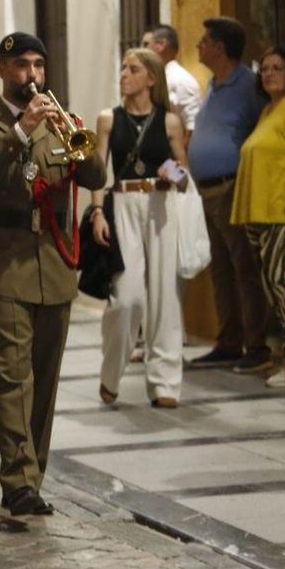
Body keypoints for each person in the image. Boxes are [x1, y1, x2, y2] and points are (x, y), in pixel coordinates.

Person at [0, 31, 107, 515]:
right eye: (22, 65)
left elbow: (96, 177)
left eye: (38, 64)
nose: (32, 74)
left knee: (44, 377)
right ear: (1, 70)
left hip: (52, 264)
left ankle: (31, 476)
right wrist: (20, 131)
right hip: (0, 265)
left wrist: (78, 141)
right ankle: (17, 480)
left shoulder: (62, 121)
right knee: (12, 373)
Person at [90, 48, 189, 409]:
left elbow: (184, 175)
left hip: (161, 204)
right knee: (127, 298)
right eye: (123, 68)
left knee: (164, 295)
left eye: (133, 69)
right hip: (122, 205)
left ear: (151, 78)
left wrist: (171, 172)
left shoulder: (170, 121)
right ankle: (111, 373)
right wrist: (97, 213)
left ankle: (165, 382)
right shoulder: (108, 119)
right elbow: (97, 172)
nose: (124, 75)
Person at [186, 17, 271, 373]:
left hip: (231, 187)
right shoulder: (213, 85)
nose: (199, 47)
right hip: (207, 190)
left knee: (244, 268)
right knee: (220, 269)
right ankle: (229, 341)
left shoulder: (248, 85)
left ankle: (257, 345)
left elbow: (262, 128)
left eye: (204, 41)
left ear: (219, 48)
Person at [232, 47, 285, 390]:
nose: (268, 73)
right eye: (264, 68)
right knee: (276, 288)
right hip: (261, 213)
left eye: (277, 68)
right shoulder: (269, 109)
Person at [143, 24, 201, 139]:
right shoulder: (155, 78)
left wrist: (179, 150)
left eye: (146, 44)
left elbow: (192, 127)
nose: (141, 50)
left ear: (160, 45)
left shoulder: (180, 80)